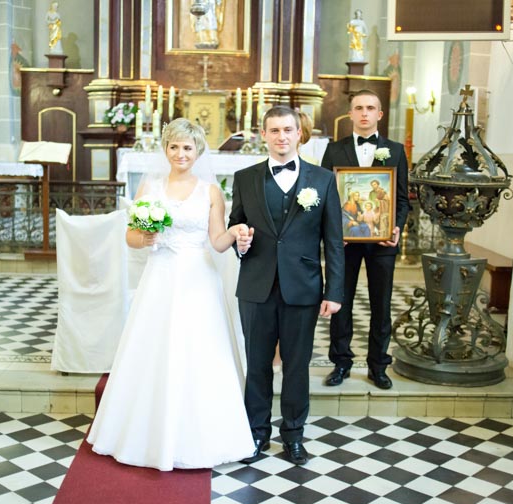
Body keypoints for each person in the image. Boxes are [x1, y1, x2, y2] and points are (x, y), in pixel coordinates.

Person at [86, 118, 253, 471]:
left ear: (198, 151)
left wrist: (236, 232)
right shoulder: (151, 186)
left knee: (200, 349)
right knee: (155, 346)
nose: (181, 154)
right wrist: (144, 237)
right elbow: (131, 236)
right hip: (160, 275)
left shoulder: (211, 191)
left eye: (187, 148)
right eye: (174, 147)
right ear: (165, 149)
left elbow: (217, 242)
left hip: (198, 278)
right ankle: (146, 436)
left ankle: (206, 436)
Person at [229, 106, 344, 465]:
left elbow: (334, 240)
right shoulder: (245, 178)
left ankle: (293, 434)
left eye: (288, 130)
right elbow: (236, 227)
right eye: (274, 130)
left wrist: (334, 292)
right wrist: (239, 243)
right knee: (257, 364)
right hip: (256, 285)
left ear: (299, 134)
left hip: (303, 287)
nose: (281, 136)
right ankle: (257, 433)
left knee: (297, 365)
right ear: (263, 135)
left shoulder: (322, 179)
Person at [321, 89, 411, 390]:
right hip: (343, 242)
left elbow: (402, 200)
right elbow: (325, 197)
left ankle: (378, 366)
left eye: (370, 108)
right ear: (350, 113)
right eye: (358, 108)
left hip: (382, 242)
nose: (364, 113)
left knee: (381, 304)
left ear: (379, 114)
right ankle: (341, 363)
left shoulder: (395, 150)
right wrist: (333, 231)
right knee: (340, 301)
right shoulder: (334, 150)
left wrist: (396, 227)